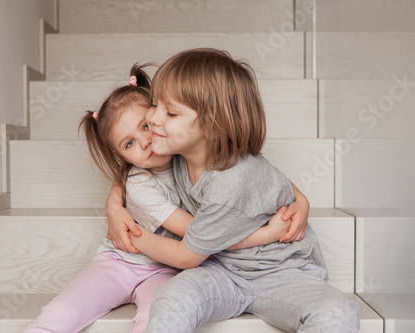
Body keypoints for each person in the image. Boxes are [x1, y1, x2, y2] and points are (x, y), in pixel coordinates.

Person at [23, 64, 293, 333]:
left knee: (156, 319)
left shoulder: (186, 155)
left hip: (167, 269)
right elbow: (200, 233)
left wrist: (300, 202)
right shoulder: (141, 186)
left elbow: (255, 174)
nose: (144, 142)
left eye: (144, 127)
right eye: (129, 143)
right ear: (121, 156)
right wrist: (265, 235)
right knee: (64, 311)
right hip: (121, 262)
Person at [106, 49, 360, 333]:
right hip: (220, 270)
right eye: (154, 105)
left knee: (337, 314)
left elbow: (186, 256)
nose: (152, 118)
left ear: (212, 127)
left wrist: (130, 236)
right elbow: (131, 171)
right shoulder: (180, 149)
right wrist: (114, 207)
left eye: (171, 112)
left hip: (279, 274)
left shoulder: (231, 181)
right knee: (172, 297)